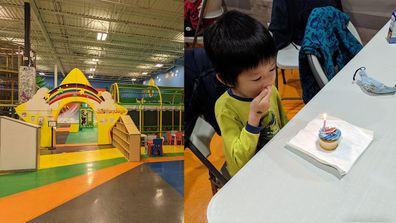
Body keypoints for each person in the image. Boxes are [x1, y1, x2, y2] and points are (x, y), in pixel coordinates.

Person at [203, 10, 289, 177]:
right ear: (227, 80)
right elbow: (238, 161)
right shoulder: (226, 107)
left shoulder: (272, 90)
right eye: (256, 78)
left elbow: (284, 123)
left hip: (277, 162)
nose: (268, 82)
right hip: (249, 174)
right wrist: (254, 118)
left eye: (272, 69)